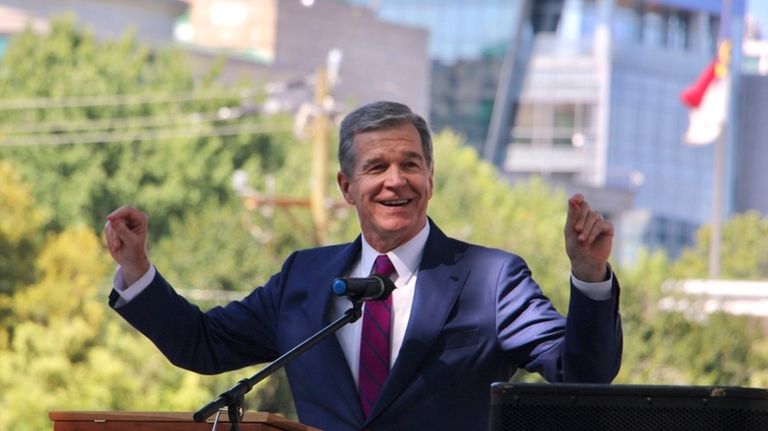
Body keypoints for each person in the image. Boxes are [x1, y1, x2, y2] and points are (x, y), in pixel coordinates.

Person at [105, 100, 622, 431]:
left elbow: (583, 373)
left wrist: (590, 277)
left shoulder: (492, 280)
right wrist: (137, 270)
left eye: (410, 165)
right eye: (376, 167)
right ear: (346, 187)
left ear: (431, 179)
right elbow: (203, 343)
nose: (395, 181)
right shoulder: (304, 281)